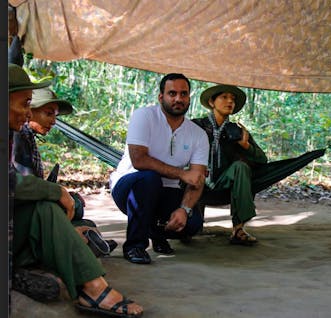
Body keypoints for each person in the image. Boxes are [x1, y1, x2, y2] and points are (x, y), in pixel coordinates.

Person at [9, 63, 143, 317]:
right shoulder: (17, 137)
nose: (27, 114)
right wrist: (57, 193)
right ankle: (93, 286)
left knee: (72, 213)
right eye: (25, 104)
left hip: (15, 227)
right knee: (49, 209)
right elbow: (14, 185)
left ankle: (79, 264)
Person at [109, 73, 209, 264]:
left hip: (167, 190)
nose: (178, 98)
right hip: (130, 187)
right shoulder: (144, 116)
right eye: (172, 93)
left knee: (192, 222)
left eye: (183, 94)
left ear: (189, 98)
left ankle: (156, 231)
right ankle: (135, 246)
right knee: (149, 178)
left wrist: (184, 209)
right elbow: (139, 160)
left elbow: (197, 178)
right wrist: (181, 173)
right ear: (161, 97)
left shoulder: (198, 134)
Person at [12, 87, 117, 257]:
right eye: (48, 114)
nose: (53, 121)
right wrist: (62, 196)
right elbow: (26, 189)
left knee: (83, 218)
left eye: (55, 116)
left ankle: (88, 243)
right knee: (76, 211)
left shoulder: (27, 136)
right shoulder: (18, 135)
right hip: (26, 214)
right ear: (30, 111)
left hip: (34, 207)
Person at [192, 85, 268, 245]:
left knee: (241, 167)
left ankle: (238, 229)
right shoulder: (196, 126)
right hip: (197, 179)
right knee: (188, 166)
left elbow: (262, 160)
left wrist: (246, 146)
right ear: (212, 102)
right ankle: (188, 222)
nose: (230, 101)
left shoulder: (237, 131)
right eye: (224, 97)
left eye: (232, 99)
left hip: (225, 183)